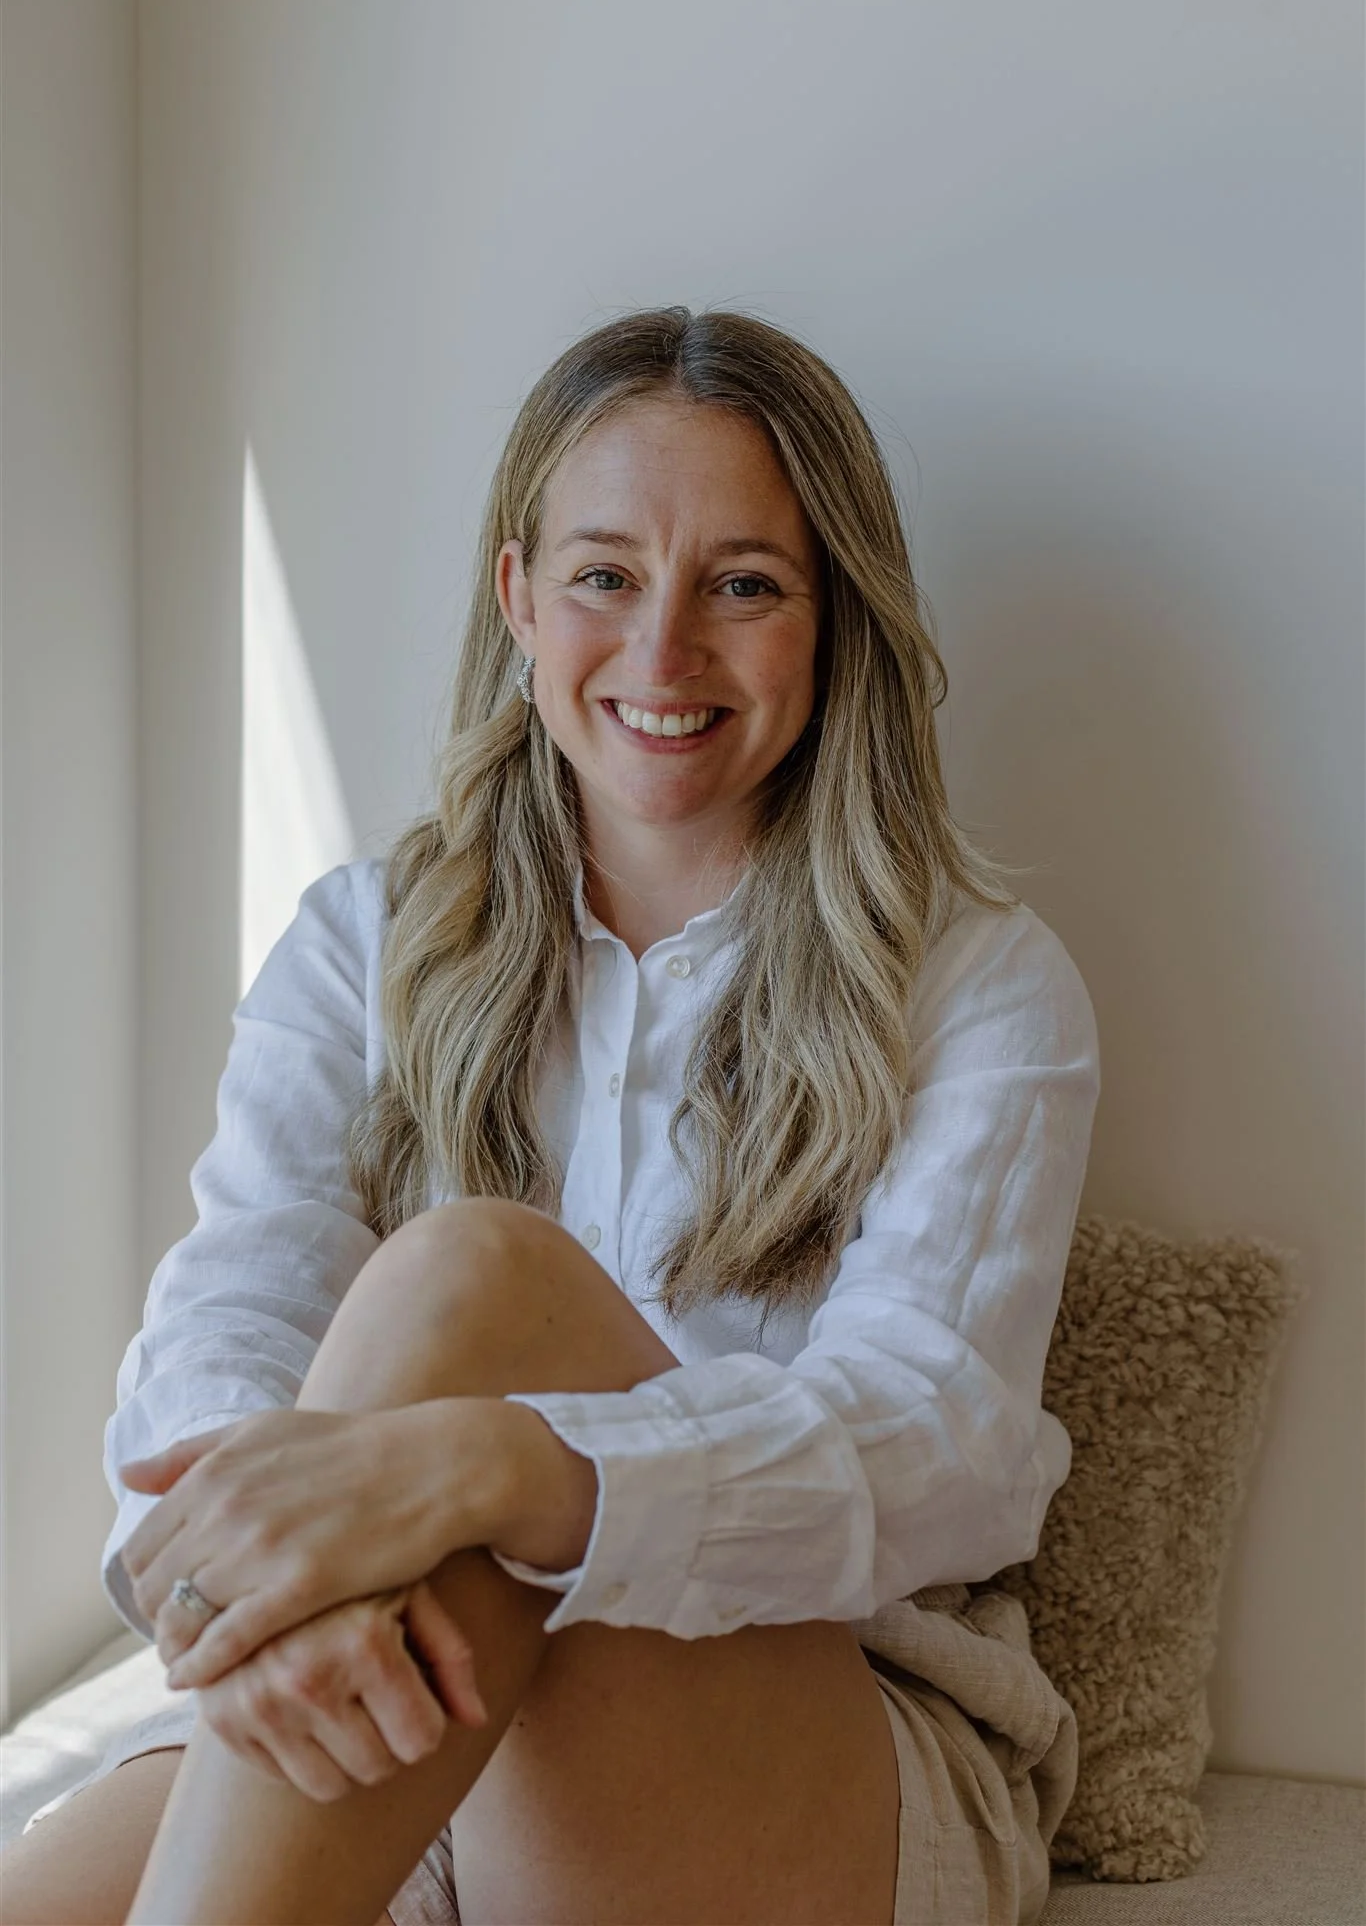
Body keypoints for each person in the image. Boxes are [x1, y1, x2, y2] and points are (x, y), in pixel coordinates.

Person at [1, 306, 1099, 1926]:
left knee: (475, 1280)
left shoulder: (980, 984)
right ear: (519, 596)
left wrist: (492, 1466)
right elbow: (237, 1297)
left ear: (831, 621)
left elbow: (932, 1439)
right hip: (413, 1667)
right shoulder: (362, 939)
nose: (663, 654)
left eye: (742, 584)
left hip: (808, 1718)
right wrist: (268, 1587)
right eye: (604, 576)